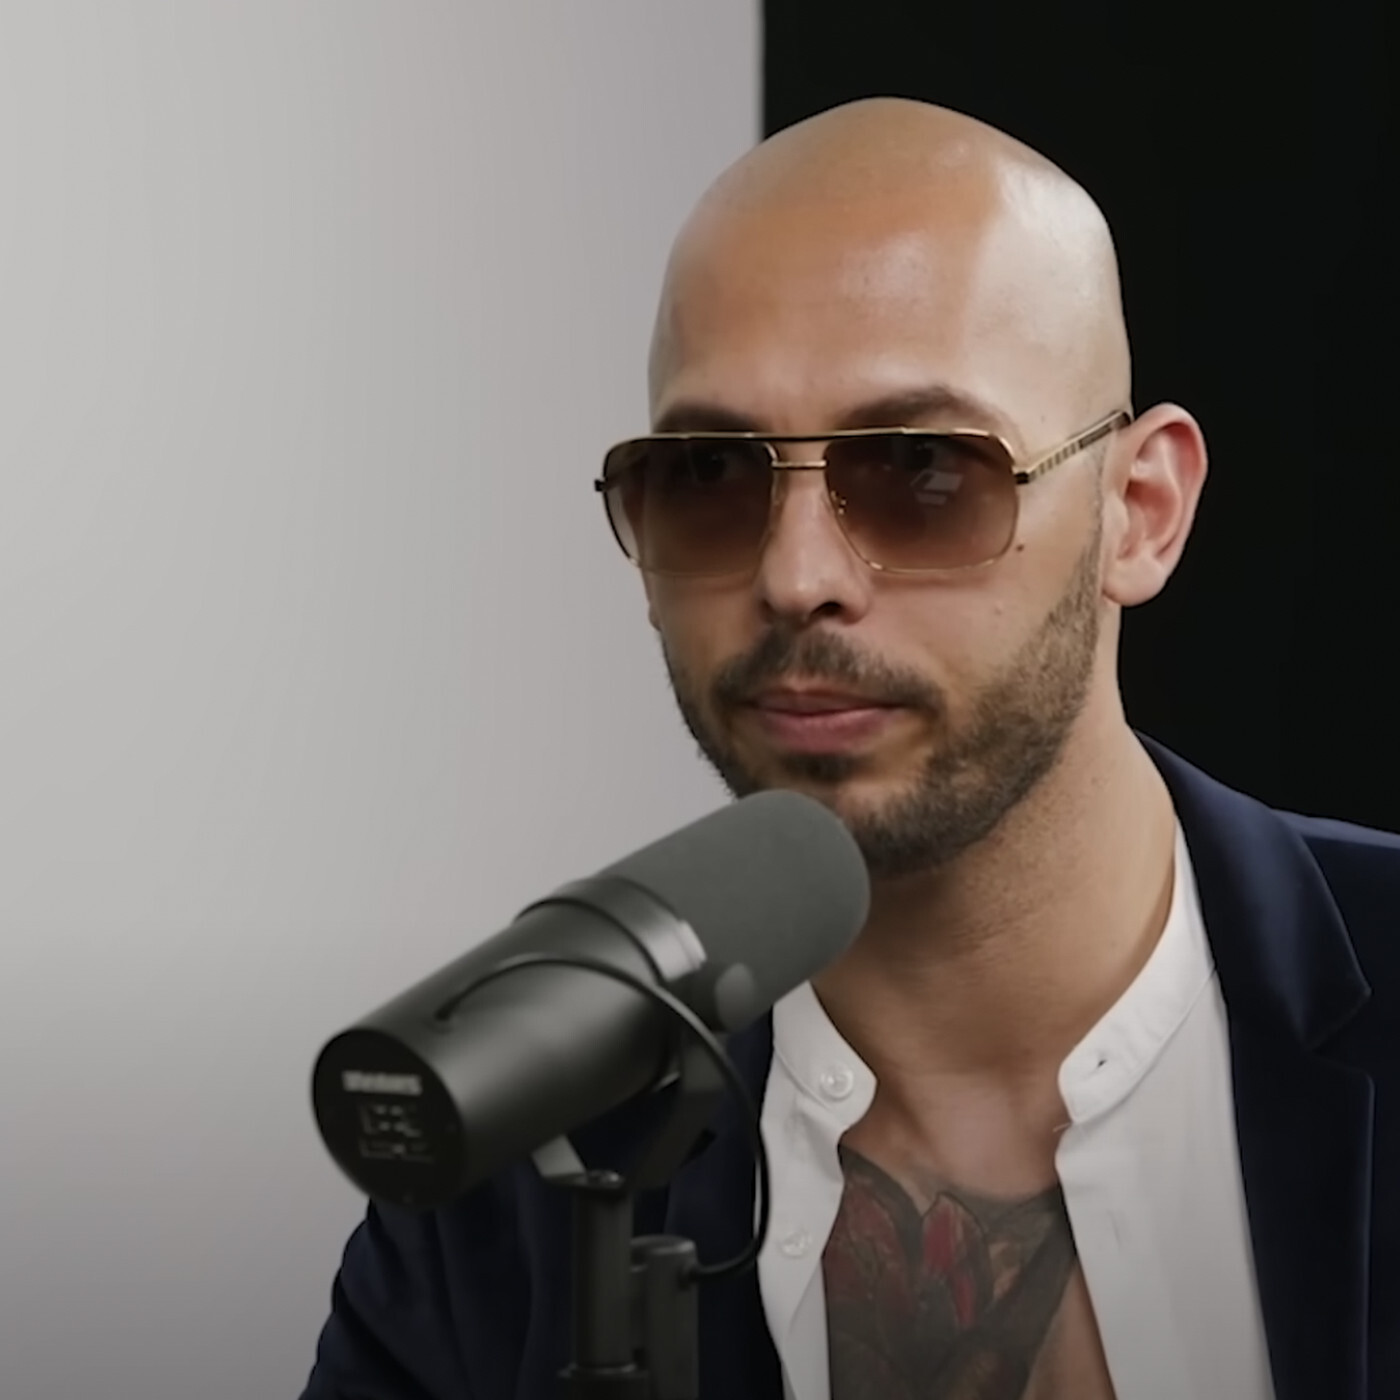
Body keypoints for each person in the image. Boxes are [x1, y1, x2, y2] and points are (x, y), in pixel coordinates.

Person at [299, 98, 1399, 1400]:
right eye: (708, 478)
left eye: (923, 470)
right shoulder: (516, 1193)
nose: (795, 576)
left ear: (1141, 512)